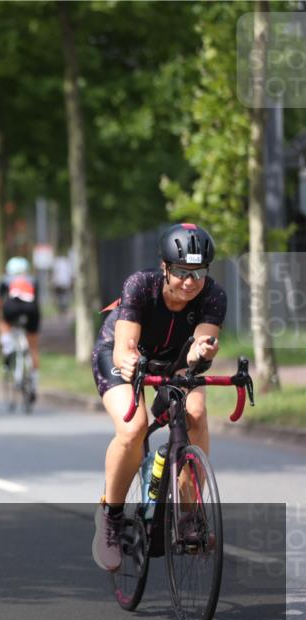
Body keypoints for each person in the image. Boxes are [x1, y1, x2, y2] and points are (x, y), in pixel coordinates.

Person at [90, 223, 225, 572]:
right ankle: (110, 517)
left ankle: (189, 512)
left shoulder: (213, 296)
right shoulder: (140, 285)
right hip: (122, 354)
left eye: (198, 273)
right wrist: (129, 361)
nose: (190, 282)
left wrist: (201, 351)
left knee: (195, 413)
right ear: (164, 267)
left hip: (176, 359)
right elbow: (123, 348)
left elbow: (203, 342)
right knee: (134, 427)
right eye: (181, 272)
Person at [0, 256, 41, 398]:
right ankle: (34, 384)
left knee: (3, 323)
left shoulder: (5, 280)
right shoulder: (33, 280)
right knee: (33, 347)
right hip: (32, 311)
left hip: (12, 309)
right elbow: (37, 301)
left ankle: (8, 349)